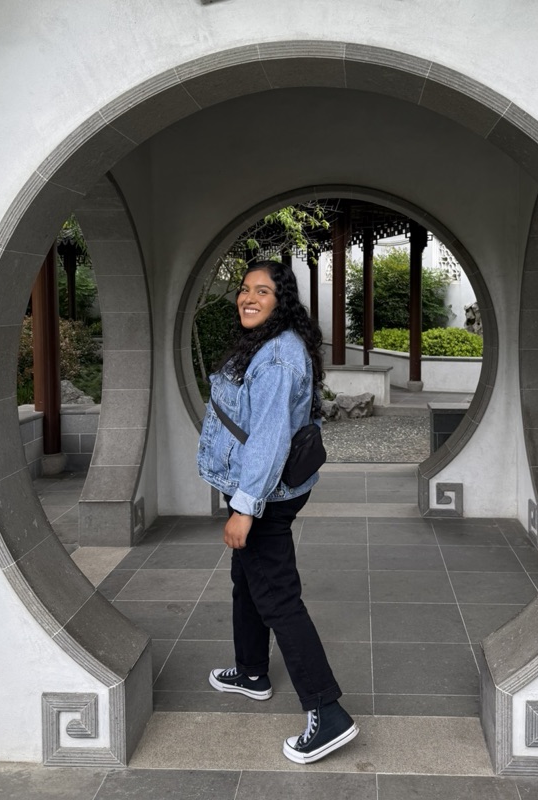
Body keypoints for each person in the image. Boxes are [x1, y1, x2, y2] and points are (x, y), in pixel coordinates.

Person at [196, 259, 359, 764]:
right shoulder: (266, 343)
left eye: (262, 291)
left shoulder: (278, 358)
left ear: (280, 300)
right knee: (247, 580)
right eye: (245, 289)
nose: (248, 298)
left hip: (264, 493)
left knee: (277, 597)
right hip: (263, 488)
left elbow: (268, 439)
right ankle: (251, 672)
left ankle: (328, 712)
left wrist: (245, 509)